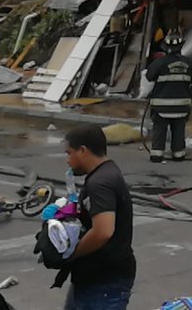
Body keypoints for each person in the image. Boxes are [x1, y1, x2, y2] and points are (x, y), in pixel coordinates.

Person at [61, 123, 136, 309]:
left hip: (104, 281)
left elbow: (103, 231)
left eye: (69, 153)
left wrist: (73, 253)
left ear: (83, 150)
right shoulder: (106, 172)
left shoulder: (100, 183)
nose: (67, 160)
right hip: (93, 277)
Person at [145, 29, 192, 162]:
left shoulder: (159, 63)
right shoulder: (189, 63)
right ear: (181, 47)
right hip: (181, 107)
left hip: (161, 107)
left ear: (165, 47)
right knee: (179, 130)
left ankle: (157, 155)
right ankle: (178, 154)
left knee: (159, 130)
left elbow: (149, 77)